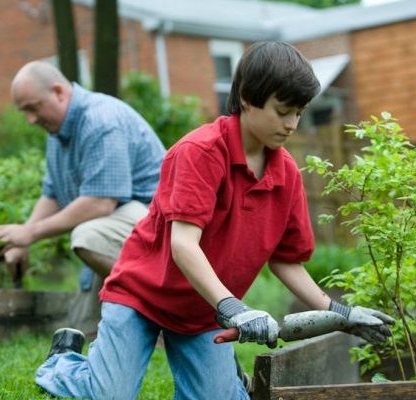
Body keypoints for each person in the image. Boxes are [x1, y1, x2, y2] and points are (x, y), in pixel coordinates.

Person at [34, 41, 395, 399]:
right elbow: (183, 244)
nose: (292, 124)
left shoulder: (286, 174)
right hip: (142, 296)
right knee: (109, 396)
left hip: (204, 312)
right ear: (248, 98)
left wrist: (342, 314)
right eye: (283, 111)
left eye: (299, 112)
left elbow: (286, 261)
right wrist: (235, 309)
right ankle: (64, 362)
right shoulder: (200, 152)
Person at [0, 61, 166, 335]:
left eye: (33, 108)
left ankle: (165, 314)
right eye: (24, 112)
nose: (30, 120)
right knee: (82, 329)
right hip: (120, 230)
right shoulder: (58, 132)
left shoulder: (100, 121)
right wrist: (21, 239)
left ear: (59, 92)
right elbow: (53, 193)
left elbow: (100, 203)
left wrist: (31, 233)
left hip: (159, 228)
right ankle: (136, 323)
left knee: (88, 236)